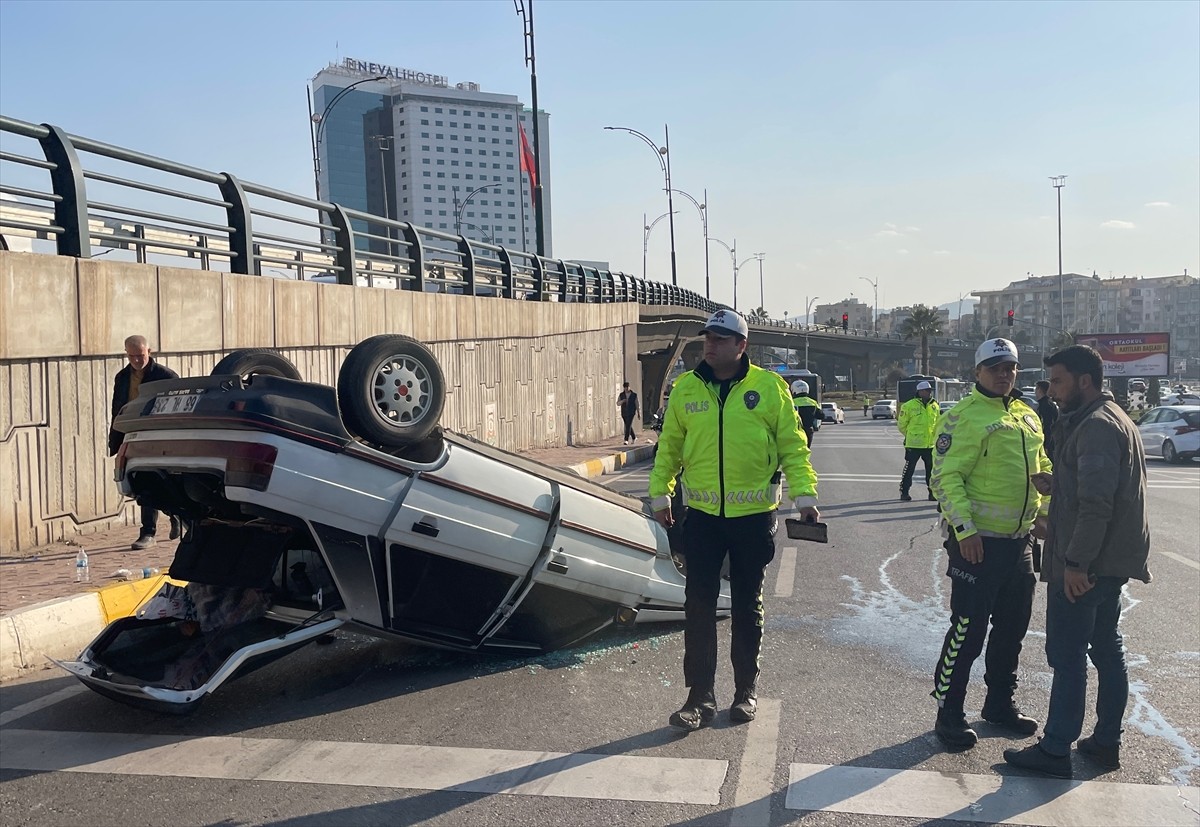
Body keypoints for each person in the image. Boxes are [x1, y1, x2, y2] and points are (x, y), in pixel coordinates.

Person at [649, 308, 819, 731]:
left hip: (752, 517)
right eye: (708, 337)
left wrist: (805, 495)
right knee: (699, 605)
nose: (710, 344)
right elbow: (669, 445)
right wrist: (660, 492)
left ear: (742, 345)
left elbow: (792, 446)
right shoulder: (686, 388)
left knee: (746, 604)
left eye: (721, 339)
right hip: (703, 517)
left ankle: (745, 691)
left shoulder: (769, 388)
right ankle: (699, 698)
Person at [1003, 345, 1151, 779]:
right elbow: (1094, 489)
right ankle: (1105, 743)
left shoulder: (1098, 428)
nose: (1052, 390)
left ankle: (1054, 750)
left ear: (1084, 381)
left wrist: (1075, 564)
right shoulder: (1105, 418)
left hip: (1090, 566)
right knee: (1106, 648)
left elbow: (1097, 506)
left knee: (1067, 655)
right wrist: (1059, 484)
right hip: (1107, 562)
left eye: (1060, 381)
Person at [929, 338, 1051, 749]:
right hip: (977, 544)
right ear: (977, 372)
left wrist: (1046, 510)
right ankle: (949, 711)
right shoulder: (962, 417)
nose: (1005, 374)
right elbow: (945, 478)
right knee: (967, 630)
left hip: (1019, 544)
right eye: (996, 367)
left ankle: (999, 704)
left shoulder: (1026, 416)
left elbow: (1043, 467)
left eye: (1011, 367)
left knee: (1011, 631)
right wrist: (964, 531)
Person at [109, 335, 180, 550]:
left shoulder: (165, 376)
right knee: (141, 482)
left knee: (161, 481)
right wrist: (116, 438)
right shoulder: (122, 377)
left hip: (159, 436)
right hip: (133, 435)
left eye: (140, 355)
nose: (137, 360)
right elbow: (117, 408)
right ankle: (154, 527)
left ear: (149, 351)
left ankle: (164, 521)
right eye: (132, 356)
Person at [897, 380, 939, 502]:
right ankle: (904, 492)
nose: (929, 393)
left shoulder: (934, 406)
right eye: (926, 390)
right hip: (914, 445)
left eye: (930, 390)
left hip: (930, 445)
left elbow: (938, 424)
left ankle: (932, 493)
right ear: (920, 392)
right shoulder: (909, 406)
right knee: (909, 470)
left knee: (931, 471)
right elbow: (901, 425)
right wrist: (910, 435)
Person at [790, 380, 824, 445]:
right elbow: (821, 416)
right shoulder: (812, 402)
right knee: (806, 449)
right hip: (808, 430)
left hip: (795, 430)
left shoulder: (791, 402)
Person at [1034, 380, 1059, 460]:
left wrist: (1046, 445)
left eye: (1036, 388)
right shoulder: (1046, 403)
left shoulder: (1045, 405)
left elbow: (1048, 425)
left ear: (1040, 390)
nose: (1035, 391)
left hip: (1048, 443)